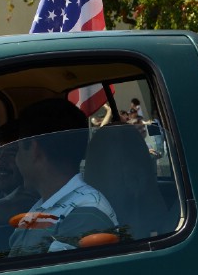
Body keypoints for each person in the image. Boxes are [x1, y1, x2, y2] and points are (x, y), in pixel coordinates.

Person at [8, 98, 118, 257]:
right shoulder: (46, 204)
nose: (16, 159)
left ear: (34, 149)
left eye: (17, 149)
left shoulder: (86, 214)